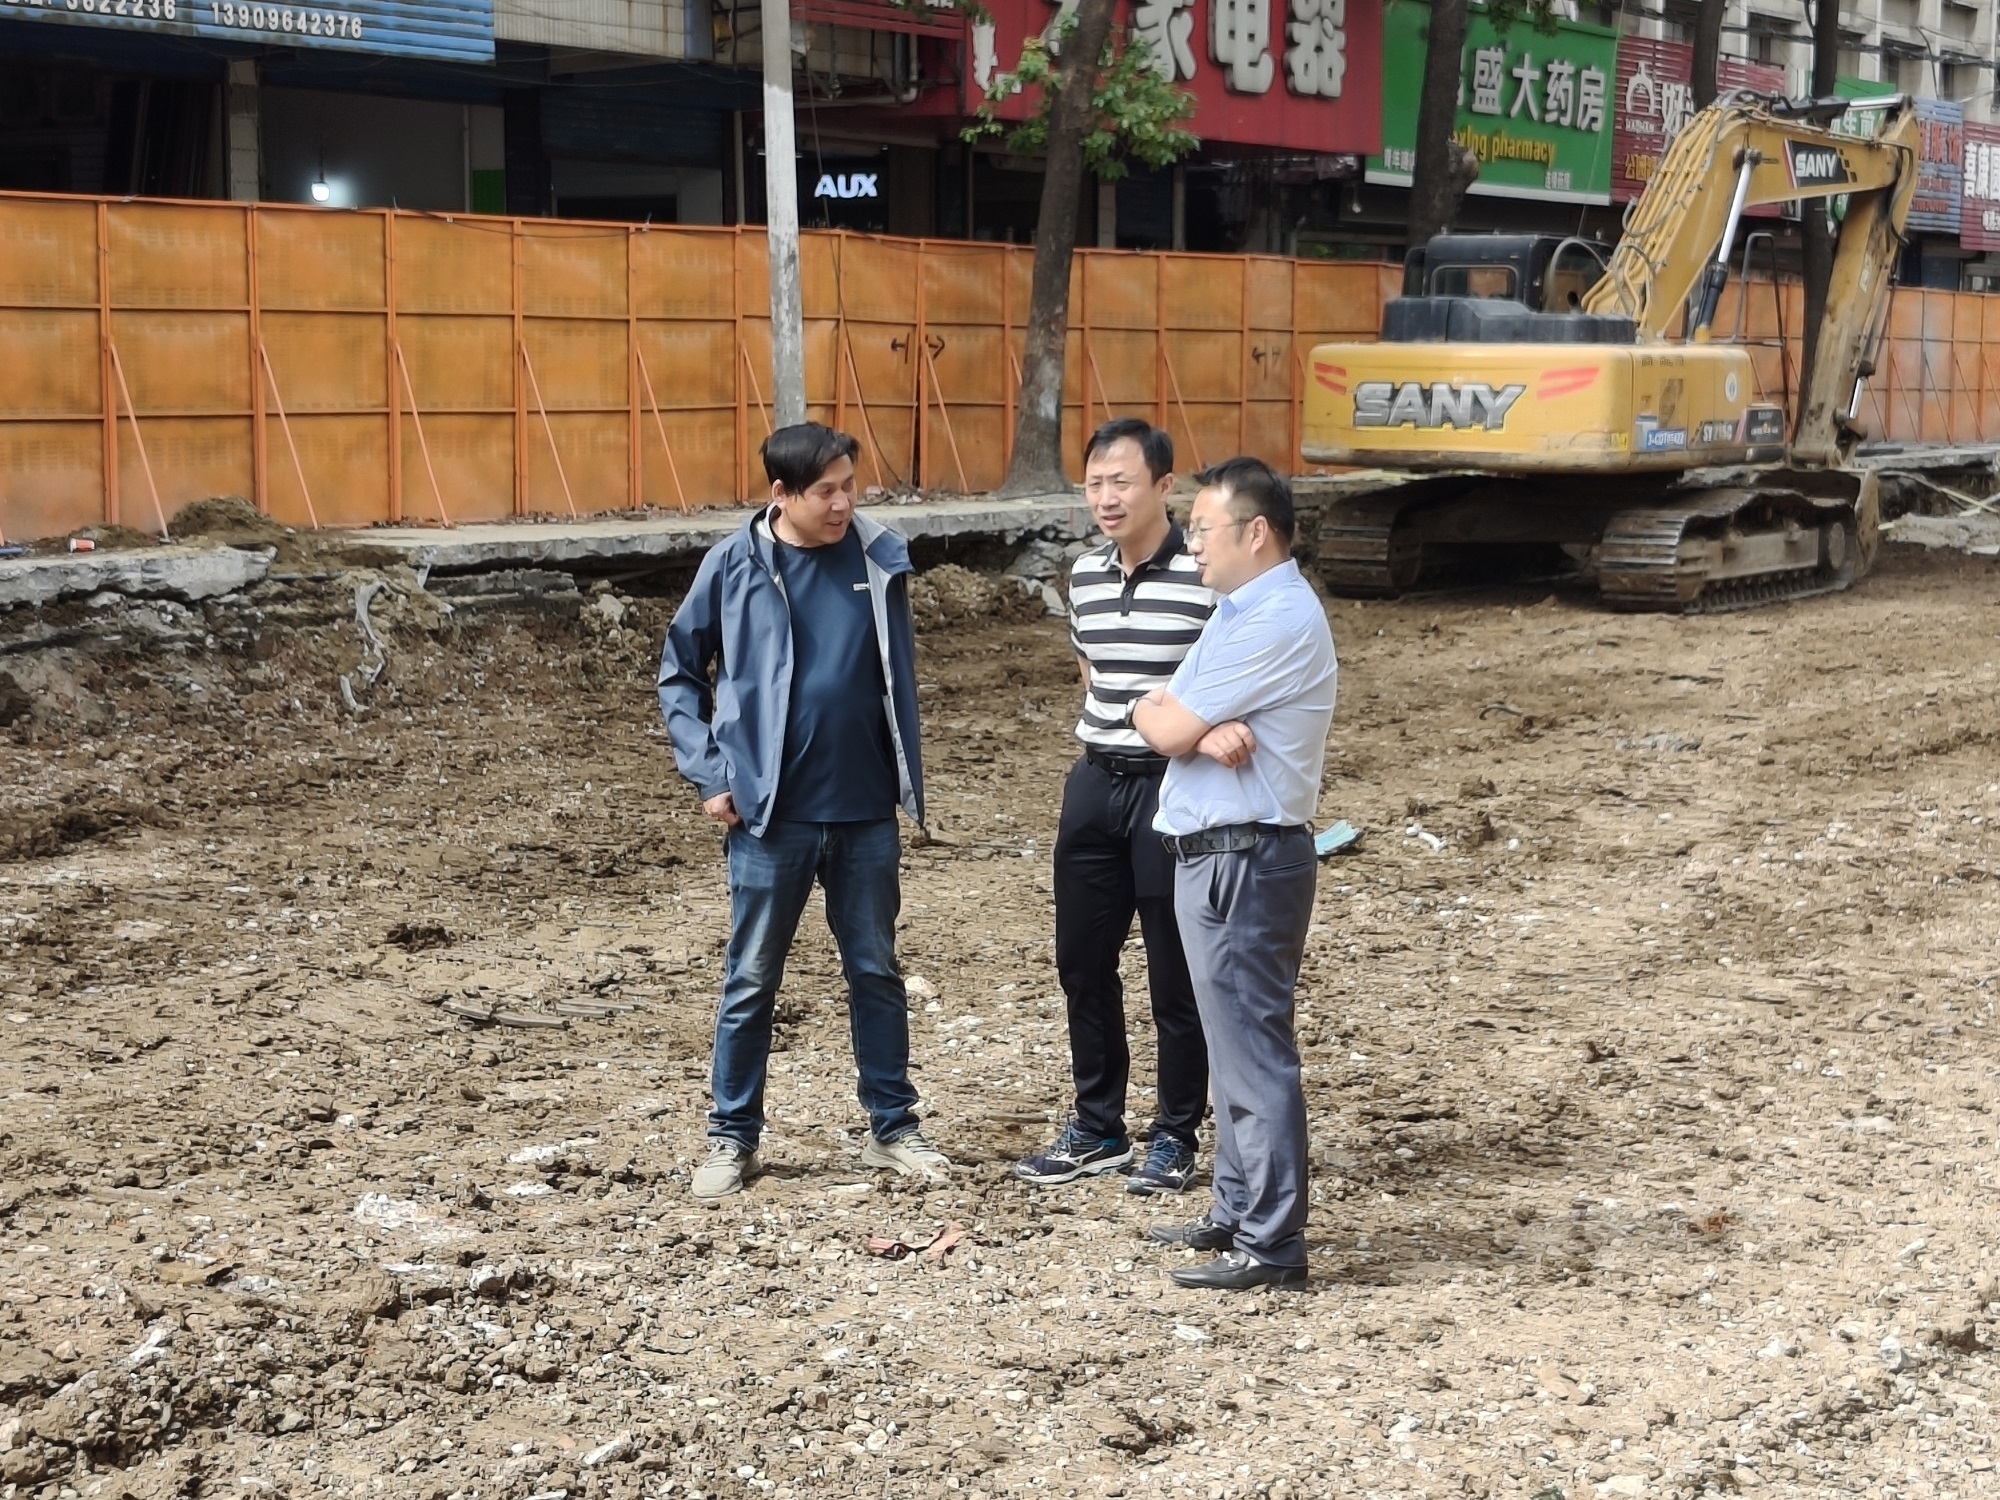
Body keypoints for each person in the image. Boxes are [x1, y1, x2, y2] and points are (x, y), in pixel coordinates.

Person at [657, 422, 949, 1201]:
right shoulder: (734, 565)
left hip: (866, 812)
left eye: (850, 485)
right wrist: (709, 774)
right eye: (826, 491)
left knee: (876, 972)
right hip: (769, 818)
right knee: (751, 979)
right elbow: (679, 672)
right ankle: (733, 1138)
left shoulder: (879, 557)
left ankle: (893, 1129)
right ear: (781, 494)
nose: (844, 502)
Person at [1130, 457, 1337, 1291]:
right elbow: (1165, 712)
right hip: (1222, 855)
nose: (1190, 545)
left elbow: (1164, 722)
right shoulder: (1239, 610)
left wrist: (1176, 721)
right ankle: (1237, 1207)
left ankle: (1273, 1243)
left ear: (1256, 533)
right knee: (1231, 1045)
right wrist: (1183, 722)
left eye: (1202, 529)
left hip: (1244, 858)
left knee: (1253, 1050)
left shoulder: (1275, 619)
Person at [1016, 419, 1217, 1194]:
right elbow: (1090, 670)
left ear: (1165, 486)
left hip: (1176, 785)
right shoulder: (1086, 574)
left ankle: (1175, 1134)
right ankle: (1097, 1126)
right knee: (1082, 962)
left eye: (1122, 482)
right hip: (1095, 783)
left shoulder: (1205, 576)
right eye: (1095, 483)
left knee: (1175, 973)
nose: (1106, 497)